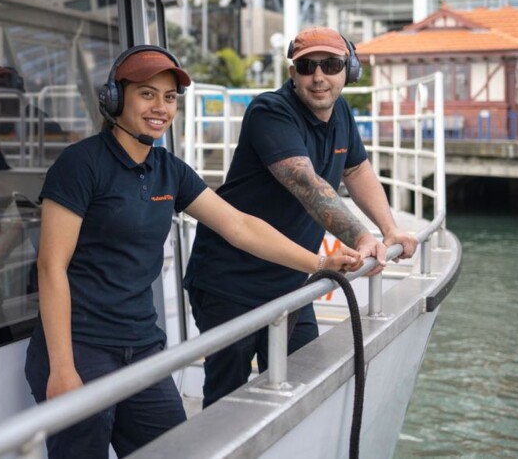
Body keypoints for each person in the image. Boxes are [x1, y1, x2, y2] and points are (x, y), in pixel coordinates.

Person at [24, 45, 362, 458]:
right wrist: (61, 368)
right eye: (147, 94)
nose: (160, 108)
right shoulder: (81, 165)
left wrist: (321, 263)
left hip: (141, 346)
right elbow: (50, 266)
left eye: (169, 98)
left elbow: (239, 226)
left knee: (179, 449)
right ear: (115, 98)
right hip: (80, 347)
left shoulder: (170, 169)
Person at [182, 26, 420, 408]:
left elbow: (356, 170)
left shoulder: (340, 110)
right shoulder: (269, 111)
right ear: (293, 73)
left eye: (331, 64)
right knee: (229, 400)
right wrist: (361, 237)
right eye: (308, 66)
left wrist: (389, 230)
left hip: (292, 283)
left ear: (348, 70)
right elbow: (307, 185)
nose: (319, 76)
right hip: (231, 283)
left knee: (304, 385)